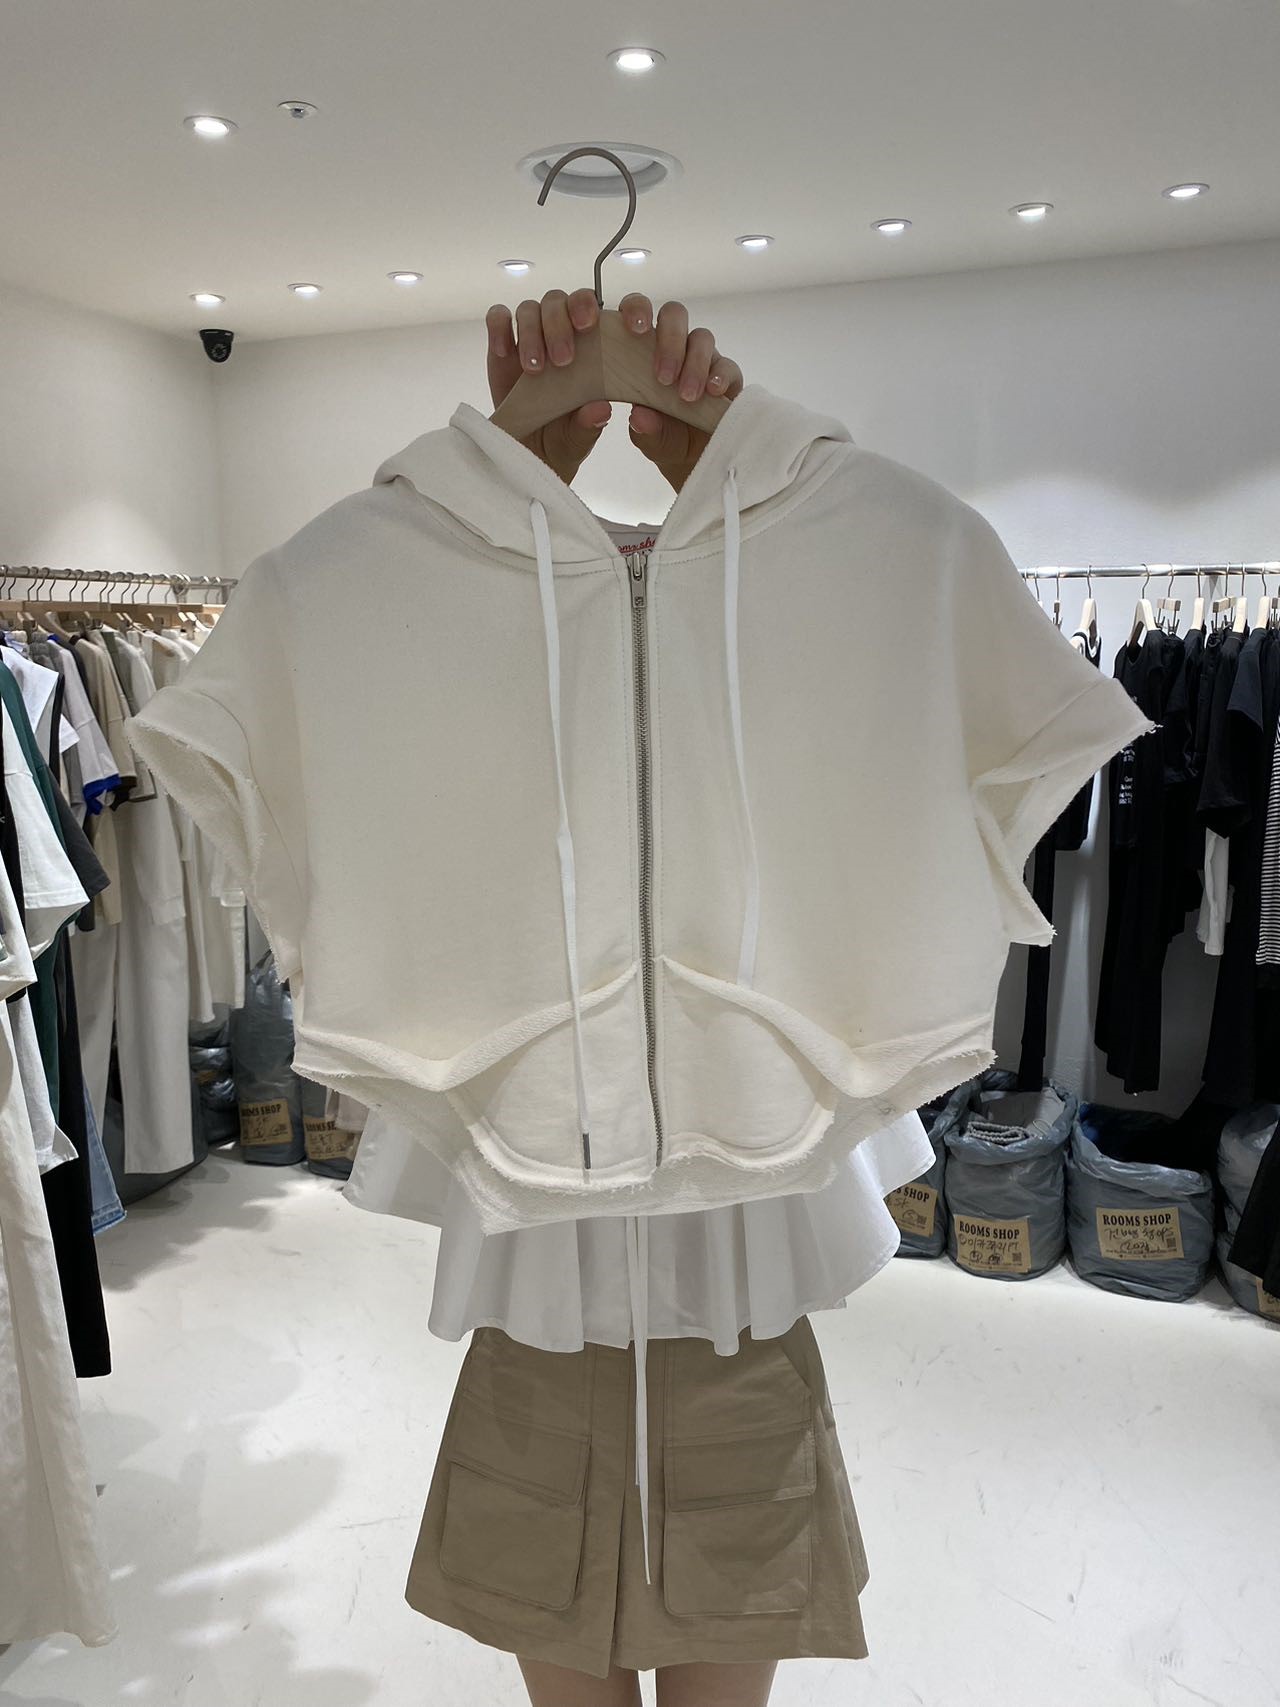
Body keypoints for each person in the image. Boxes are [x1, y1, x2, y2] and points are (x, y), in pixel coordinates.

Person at [403, 290, 872, 1707]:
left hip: (732, 1245)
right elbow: (410, 811)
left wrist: (741, 483)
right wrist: (498, 500)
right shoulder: (474, 640)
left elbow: (863, 753)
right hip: (549, 1247)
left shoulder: (781, 626)